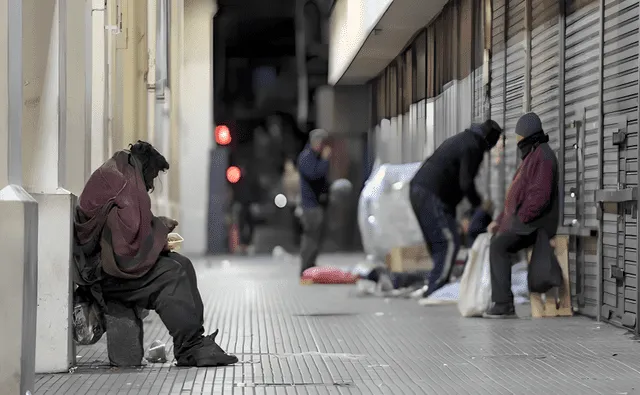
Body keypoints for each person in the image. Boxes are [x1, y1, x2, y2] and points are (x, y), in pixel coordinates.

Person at [73, 141, 238, 367]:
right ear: (147, 168)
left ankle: (192, 343)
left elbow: (126, 234)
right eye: (153, 177)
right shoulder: (127, 183)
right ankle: (190, 347)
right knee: (173, 274)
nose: (151, 185)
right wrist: (160, 231)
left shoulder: (119, 172)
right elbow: (127, 250)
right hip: (104, 275)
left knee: (183, 264)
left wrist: (156, 233)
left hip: (101, 265)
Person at [410, 120, 503, 301]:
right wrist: (480, 205)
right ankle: (436, 289)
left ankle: (436, 283)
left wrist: (458, 216)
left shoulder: (465, 139)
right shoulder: (473, 146)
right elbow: (465, 183)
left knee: (440, 243)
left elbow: (454, 183)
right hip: (429, 193)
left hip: (421, 190)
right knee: (448, 242)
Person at [483, 112, 559, 318]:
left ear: (527, 136)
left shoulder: (542, 157)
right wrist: (501, 222)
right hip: (528, 221)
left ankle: (503, 304)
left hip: (537, 223)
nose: (517, 142)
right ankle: (501, 301)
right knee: (498, 240)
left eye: (519, 138)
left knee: (499, 246)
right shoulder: (532, 155)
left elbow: (539, 197)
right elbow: (514, 198)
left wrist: (521, 220)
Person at [297, 129, 331, 279]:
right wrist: (325, 160)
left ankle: (310, 265)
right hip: (310, 206)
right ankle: (305, 267)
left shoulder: (313, 157)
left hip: (316, 204)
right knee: (310, 237)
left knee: (316, 237)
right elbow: (315, 174)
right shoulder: (306, 158)